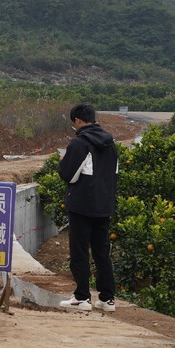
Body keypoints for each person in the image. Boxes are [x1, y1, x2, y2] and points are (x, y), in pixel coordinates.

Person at [57, 104, 119, 312]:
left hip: (82, 205)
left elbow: (69, 175)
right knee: (102, 252)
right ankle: (107, 298)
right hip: (104, 205)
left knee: (80, 251)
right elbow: (113, 176)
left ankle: (82, 297)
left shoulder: (79, 143)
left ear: (77, 121)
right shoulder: (111, 144)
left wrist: (62, 161)